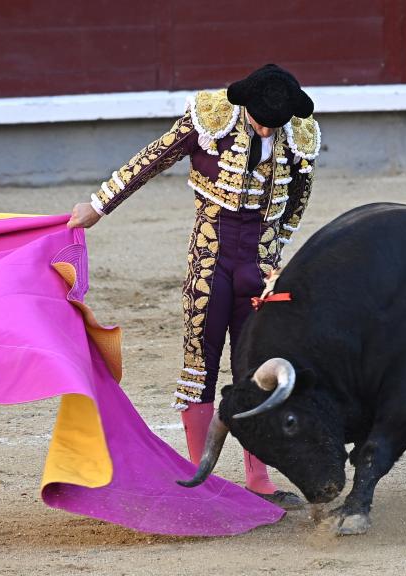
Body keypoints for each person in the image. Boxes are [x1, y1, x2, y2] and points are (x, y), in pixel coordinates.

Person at [67, 64, 320, 509]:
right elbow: (151, 158)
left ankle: (258, 478)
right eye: (260, 118)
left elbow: (298, 200)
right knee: (199, 363)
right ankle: (196, 475)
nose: (265, 127)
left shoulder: (298, 134)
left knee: (255, 366)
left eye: (273, 123)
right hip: (211, 262)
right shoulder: (210, 119)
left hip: (258, 269)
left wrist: (275, 253)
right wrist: (97, 205)